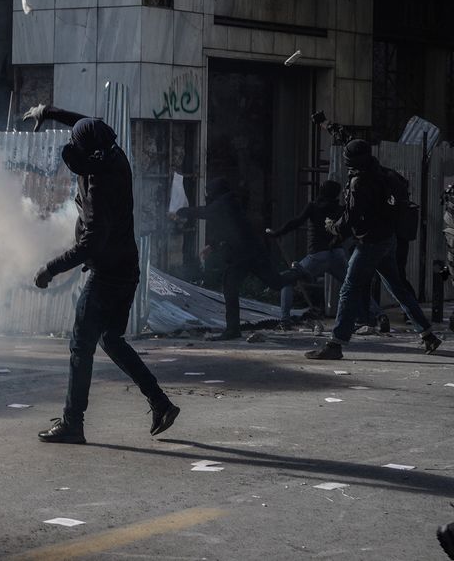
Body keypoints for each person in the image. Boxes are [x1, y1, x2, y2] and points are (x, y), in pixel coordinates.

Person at [23, 104, 179, 445]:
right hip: (127, 268)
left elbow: (91, 245)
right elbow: (87, 123)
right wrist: (47, 111)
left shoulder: (98, 188)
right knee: (111, 339)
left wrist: (49, 269)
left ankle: (72, 422)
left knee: (81, 346)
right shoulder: (112, 152)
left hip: (107, 274)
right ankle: (161, 403)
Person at [305, 140, 442, 359]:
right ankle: (428, 335)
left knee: (349, 289)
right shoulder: (382, 172)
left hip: (370, 244)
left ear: (350, 161)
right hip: (388, 239)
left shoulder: (359, 182)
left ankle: (335, 344)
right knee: (398, 289)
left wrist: (332, 226)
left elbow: (350, 219)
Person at [176, 179, 294, 341]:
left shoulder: (224, 203)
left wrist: (182, 211)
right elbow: (227, 229)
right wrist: (212, 245)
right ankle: (233, 329)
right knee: (233, 287)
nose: (207, 194)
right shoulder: (227, 202)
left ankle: (300, 272)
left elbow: (206, 212)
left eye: (208, 190)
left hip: (248, 253)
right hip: (245, 254)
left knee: (274, 282)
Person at [266, 181, 358, 329]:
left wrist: (278, 233)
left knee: (287, 280)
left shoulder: (313, 207)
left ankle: (285, 320)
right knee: (353, 284)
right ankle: (377, 315)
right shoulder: (341, 209)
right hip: (337, 254)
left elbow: (295, 222)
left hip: (317, 256)